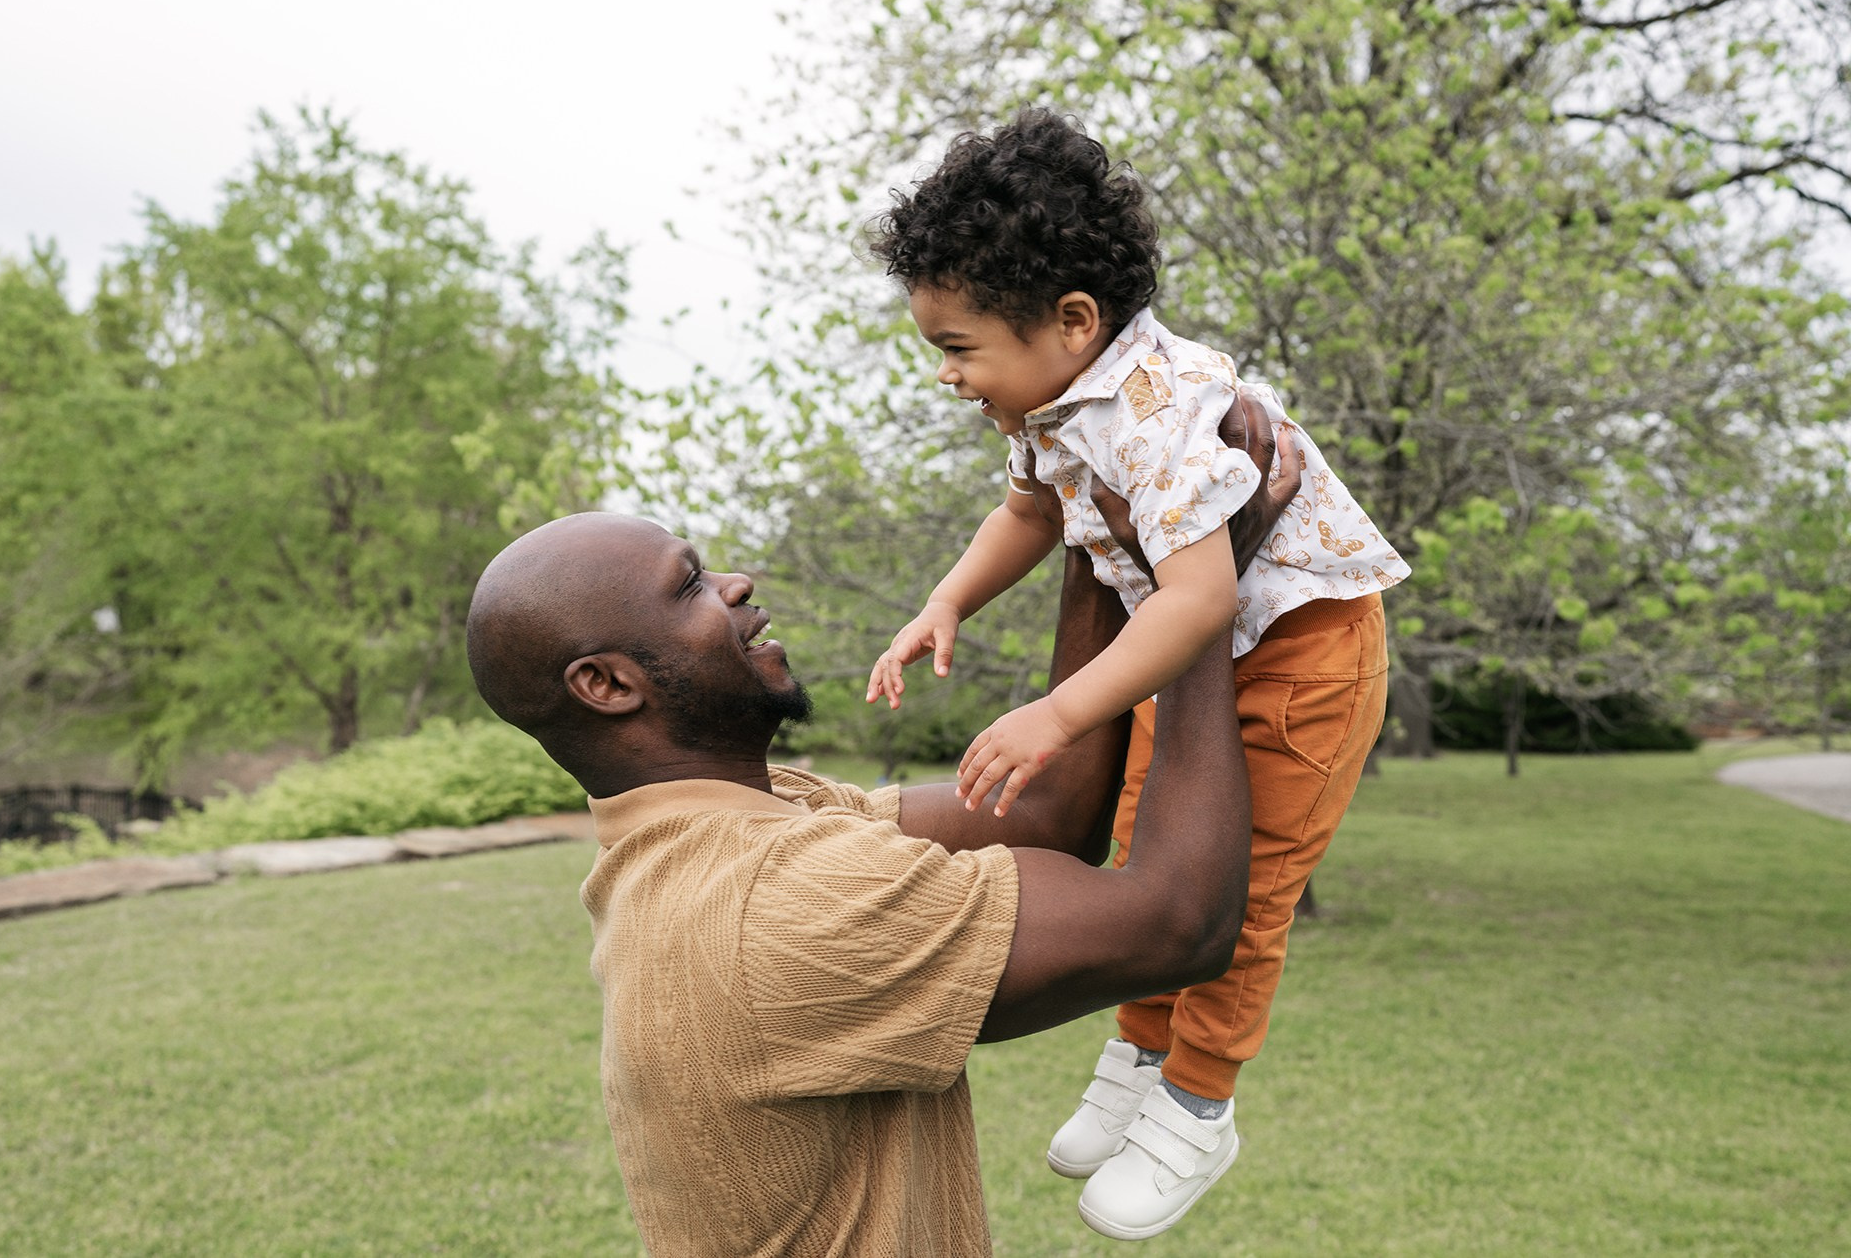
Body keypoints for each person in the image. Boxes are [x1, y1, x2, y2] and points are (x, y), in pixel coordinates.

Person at [463, 403, 1290, 1257]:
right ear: (606, 684)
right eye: (690, 586)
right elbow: (1177, 920)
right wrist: (1198, 577)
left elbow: (1046, 814)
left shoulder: (748, 819)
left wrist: (1094, 526)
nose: (735, 584)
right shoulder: (772, 900)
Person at [864, 107, 1410, 1239]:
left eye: (958, 347)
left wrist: (1054, 714)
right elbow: (1028, 509)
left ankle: (1197, 1104)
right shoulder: (1057, 403)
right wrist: (946, 598)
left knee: (1242, 888)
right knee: (1147, 839)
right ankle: (1139, 1048)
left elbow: (1201, 598)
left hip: (1301, 654)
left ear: (1072, 320)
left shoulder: (1157, 410)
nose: (950, 378)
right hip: (1190, 653)